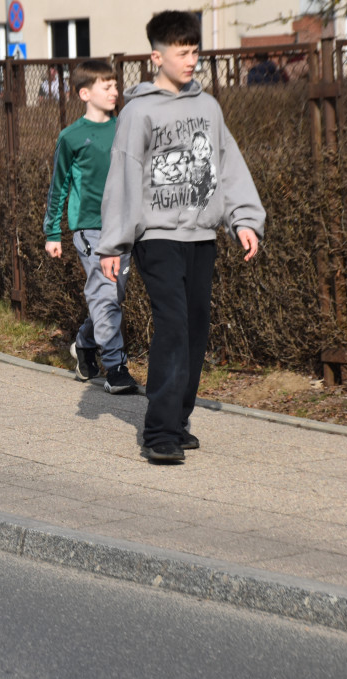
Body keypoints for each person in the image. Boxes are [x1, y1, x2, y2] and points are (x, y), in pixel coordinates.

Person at [97, 11, 265, 463]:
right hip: (158, 237)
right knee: (172, 325)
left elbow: (227, 166)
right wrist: (114, 243)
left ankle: (179, 419)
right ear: (157, 56)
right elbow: (124, 178)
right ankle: (158, 433)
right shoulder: (139, 111)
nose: (191, 60)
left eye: (195, 52)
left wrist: (244, 219)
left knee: (194, 328)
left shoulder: (208, 107)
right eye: (182, 52)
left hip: (201, 237)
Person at [42, 60, 137, 395]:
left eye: (115, 85)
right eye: (105, 86)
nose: (114, 91)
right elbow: (59, 185)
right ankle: (116, 367)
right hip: (89, 228)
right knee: (106, 295)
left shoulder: (126, 127)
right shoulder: (71, 137)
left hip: (123, 226)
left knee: (112, 295)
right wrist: (52, 232)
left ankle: (84, 342)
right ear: (85, 93)